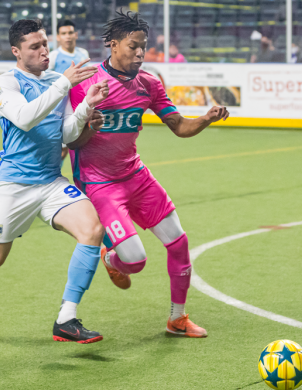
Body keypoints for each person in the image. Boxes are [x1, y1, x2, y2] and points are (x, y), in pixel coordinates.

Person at [0, 19, 111, 347]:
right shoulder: (5, 85)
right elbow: (26, 118)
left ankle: (66, 318)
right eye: (34, 47)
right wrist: (64, 86)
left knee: (93, 230)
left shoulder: (56, 80)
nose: (44, 52)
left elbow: (65, 133)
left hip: (51, 182)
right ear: (16, 52)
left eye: (44, 44)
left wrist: (85, 107)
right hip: (13, 187)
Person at [67, 10, 229, 338]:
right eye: (133, 46)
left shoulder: (150, 84)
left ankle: (177, 319)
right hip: (99, 183)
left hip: (137, 176)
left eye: (143, 47)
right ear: (113, 45)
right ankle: (111, 259)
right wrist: (88, 127)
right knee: (135, 261)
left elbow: (179, 127)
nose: (140, 53)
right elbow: (72, 140)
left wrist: (206, 118)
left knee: (179, 242)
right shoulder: (87, 82)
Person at [47, 20, 89, 166]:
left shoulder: (83, 54)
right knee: (60, 148)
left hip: (79, 106)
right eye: (63, 33)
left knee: (80, 144)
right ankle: (50, 173)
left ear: (76, 34)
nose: (68, 36)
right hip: (60, 108)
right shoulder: (53, 56)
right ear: (58, 37)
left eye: (70, 33)